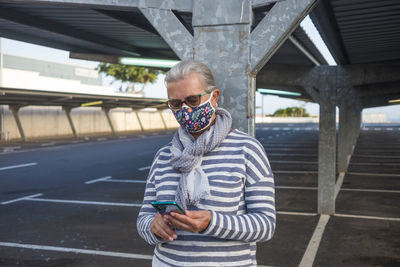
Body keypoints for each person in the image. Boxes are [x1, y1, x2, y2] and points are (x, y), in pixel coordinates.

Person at [137, 61, 276, 267]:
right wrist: (154, 227)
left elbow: (265, 225)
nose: (185, 109)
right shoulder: (163, 156)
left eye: (192, 100)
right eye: (176, 104)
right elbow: (143, 220)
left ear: (214, 97)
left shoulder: (247, 149)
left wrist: (211, 222)